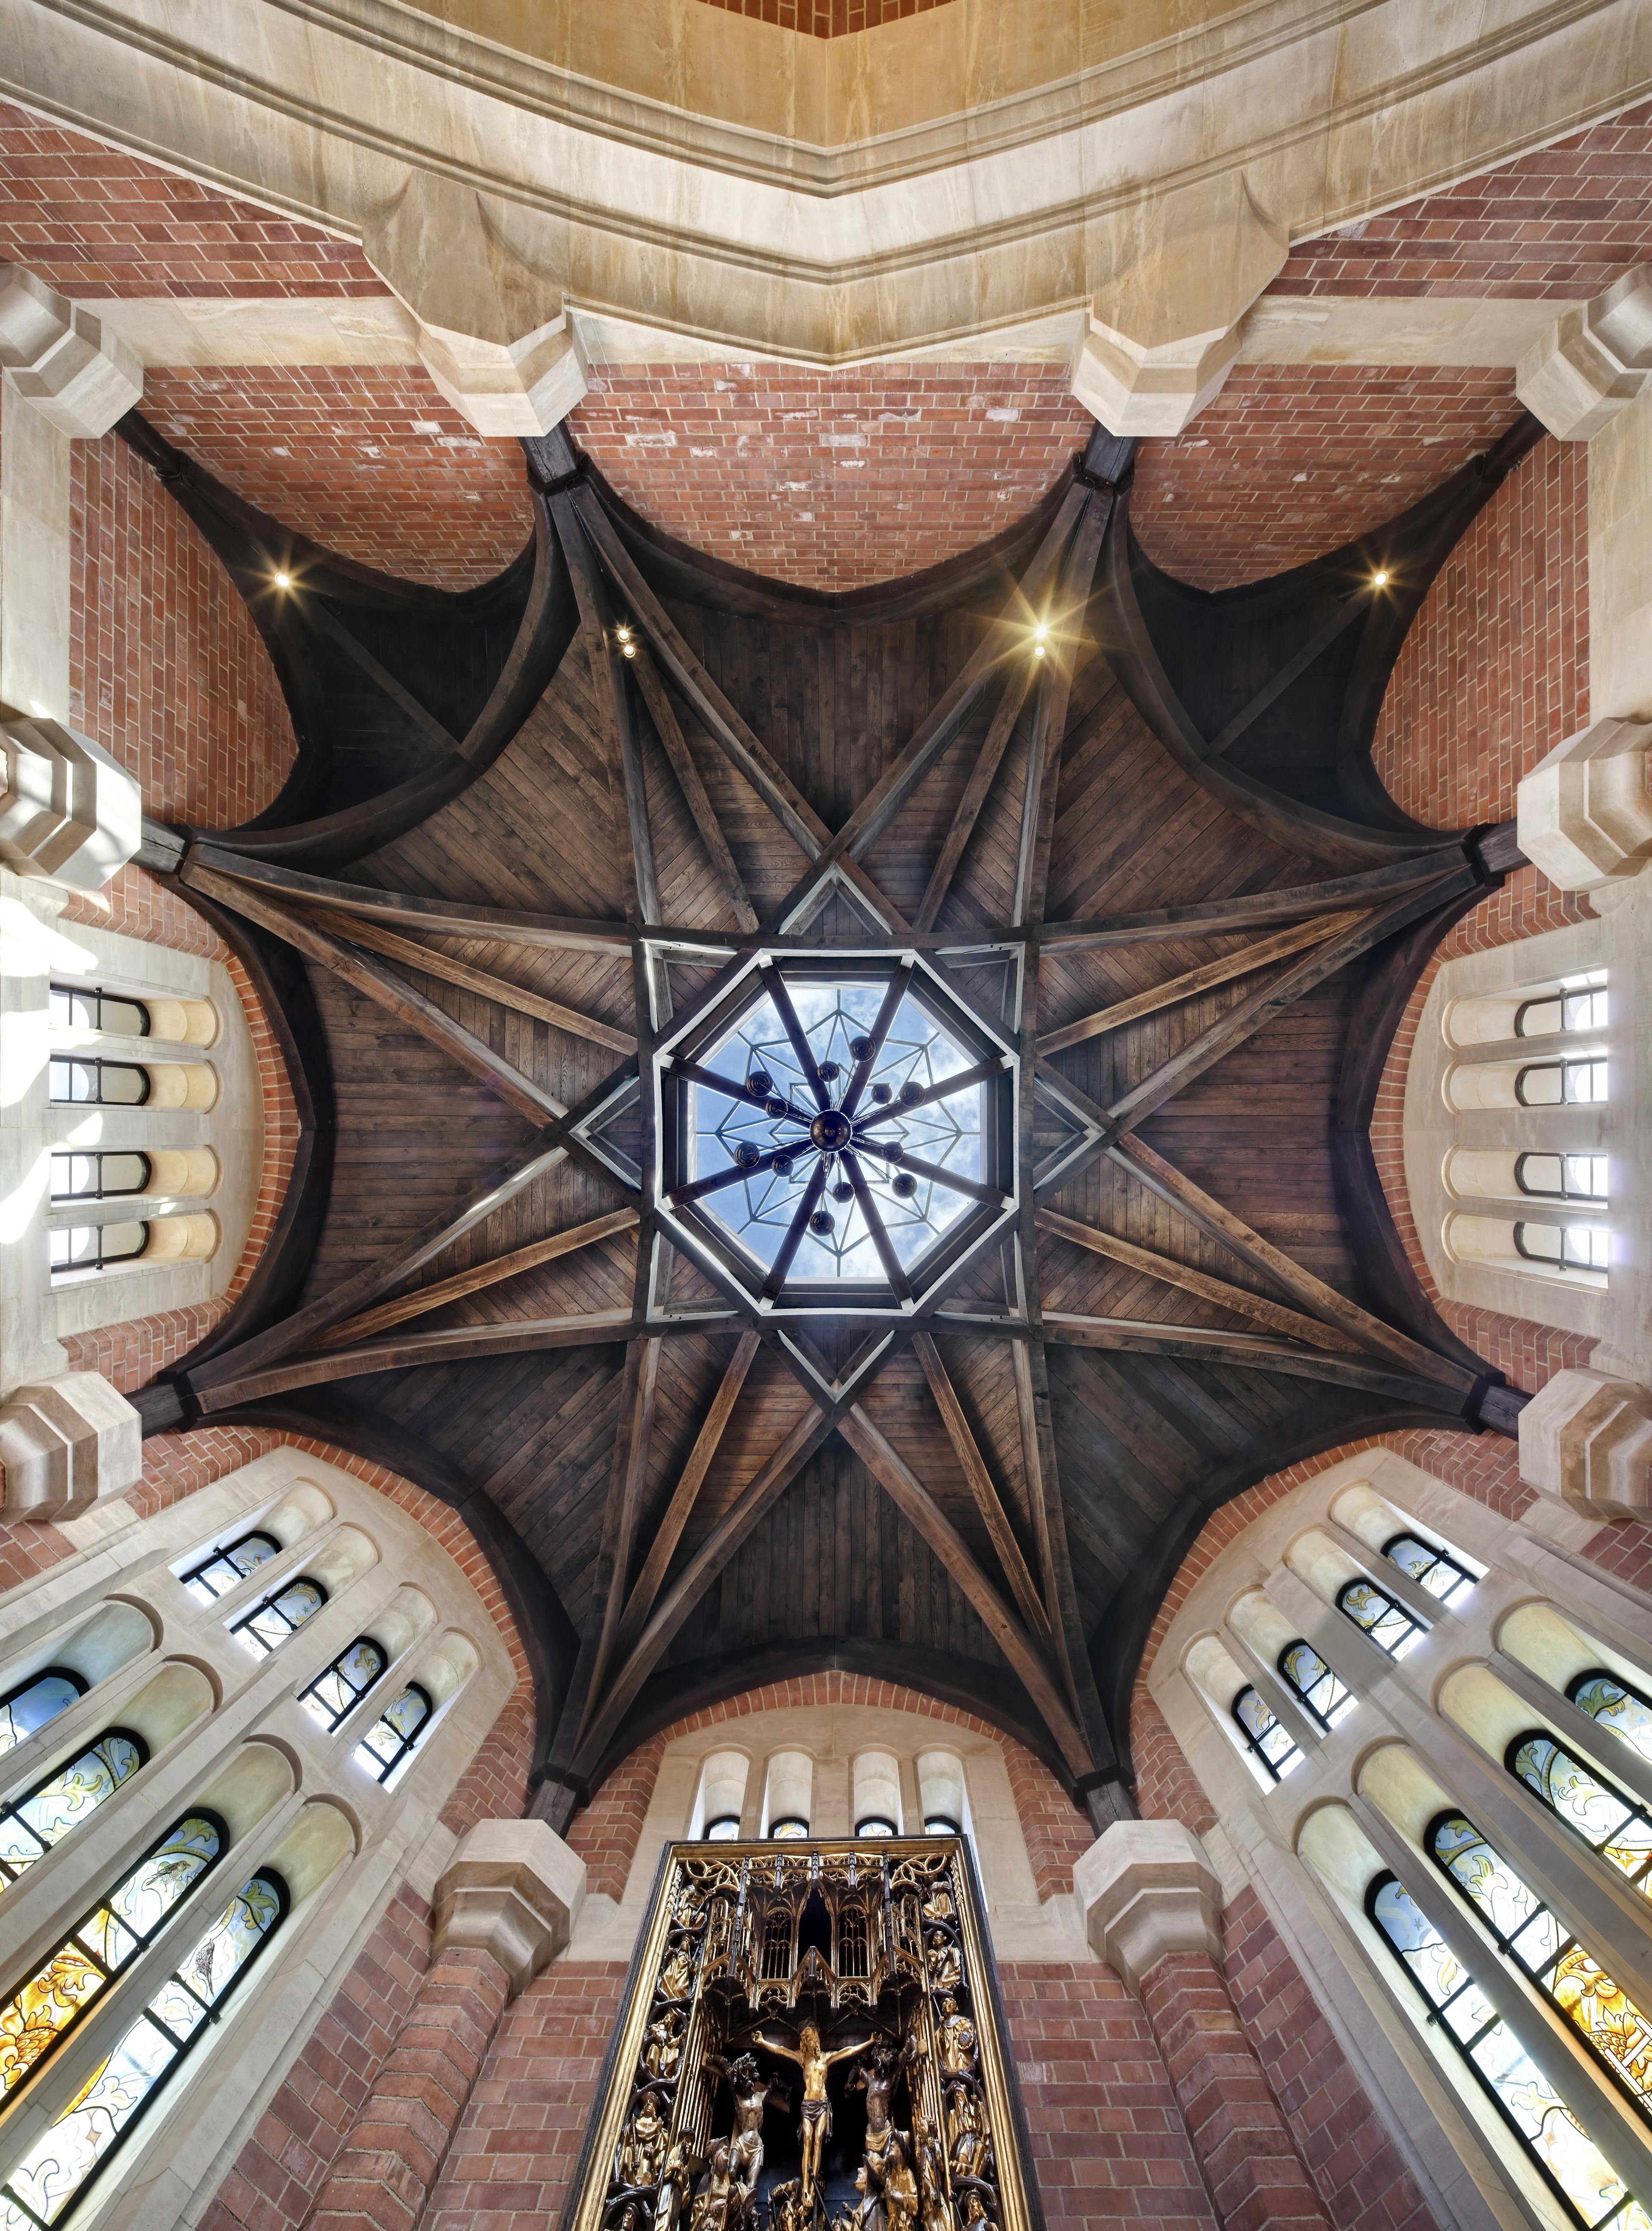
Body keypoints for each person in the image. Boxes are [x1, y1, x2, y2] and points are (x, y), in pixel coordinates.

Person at [751, 2020, 875, 2203]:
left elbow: (848, 2050)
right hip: (807, 2105)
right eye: (806, 2038)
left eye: (810, 2037)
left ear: (816, 2038)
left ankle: (812, 2187)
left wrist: (870, 2042)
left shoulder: (826, 2058)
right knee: (807, 2142)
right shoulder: (803, 2059)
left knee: (818, 2142)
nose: (809, 2041)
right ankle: (805, 2189)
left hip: (822, 2104)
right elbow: (780, 2050)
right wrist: (762, 2042)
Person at [704, 2049, 789, 2203]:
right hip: (741, 2144)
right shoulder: (738, 2099)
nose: (746, 2081)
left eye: (748, 2075)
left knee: (752, 2186)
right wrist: (715, 2059)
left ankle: (746, 2211)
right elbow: (728, 2071)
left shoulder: (760, 2097)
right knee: (731, 2173)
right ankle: (729, 2205)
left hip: (756, 2148)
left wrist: (786, 2090)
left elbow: (773, 2085)